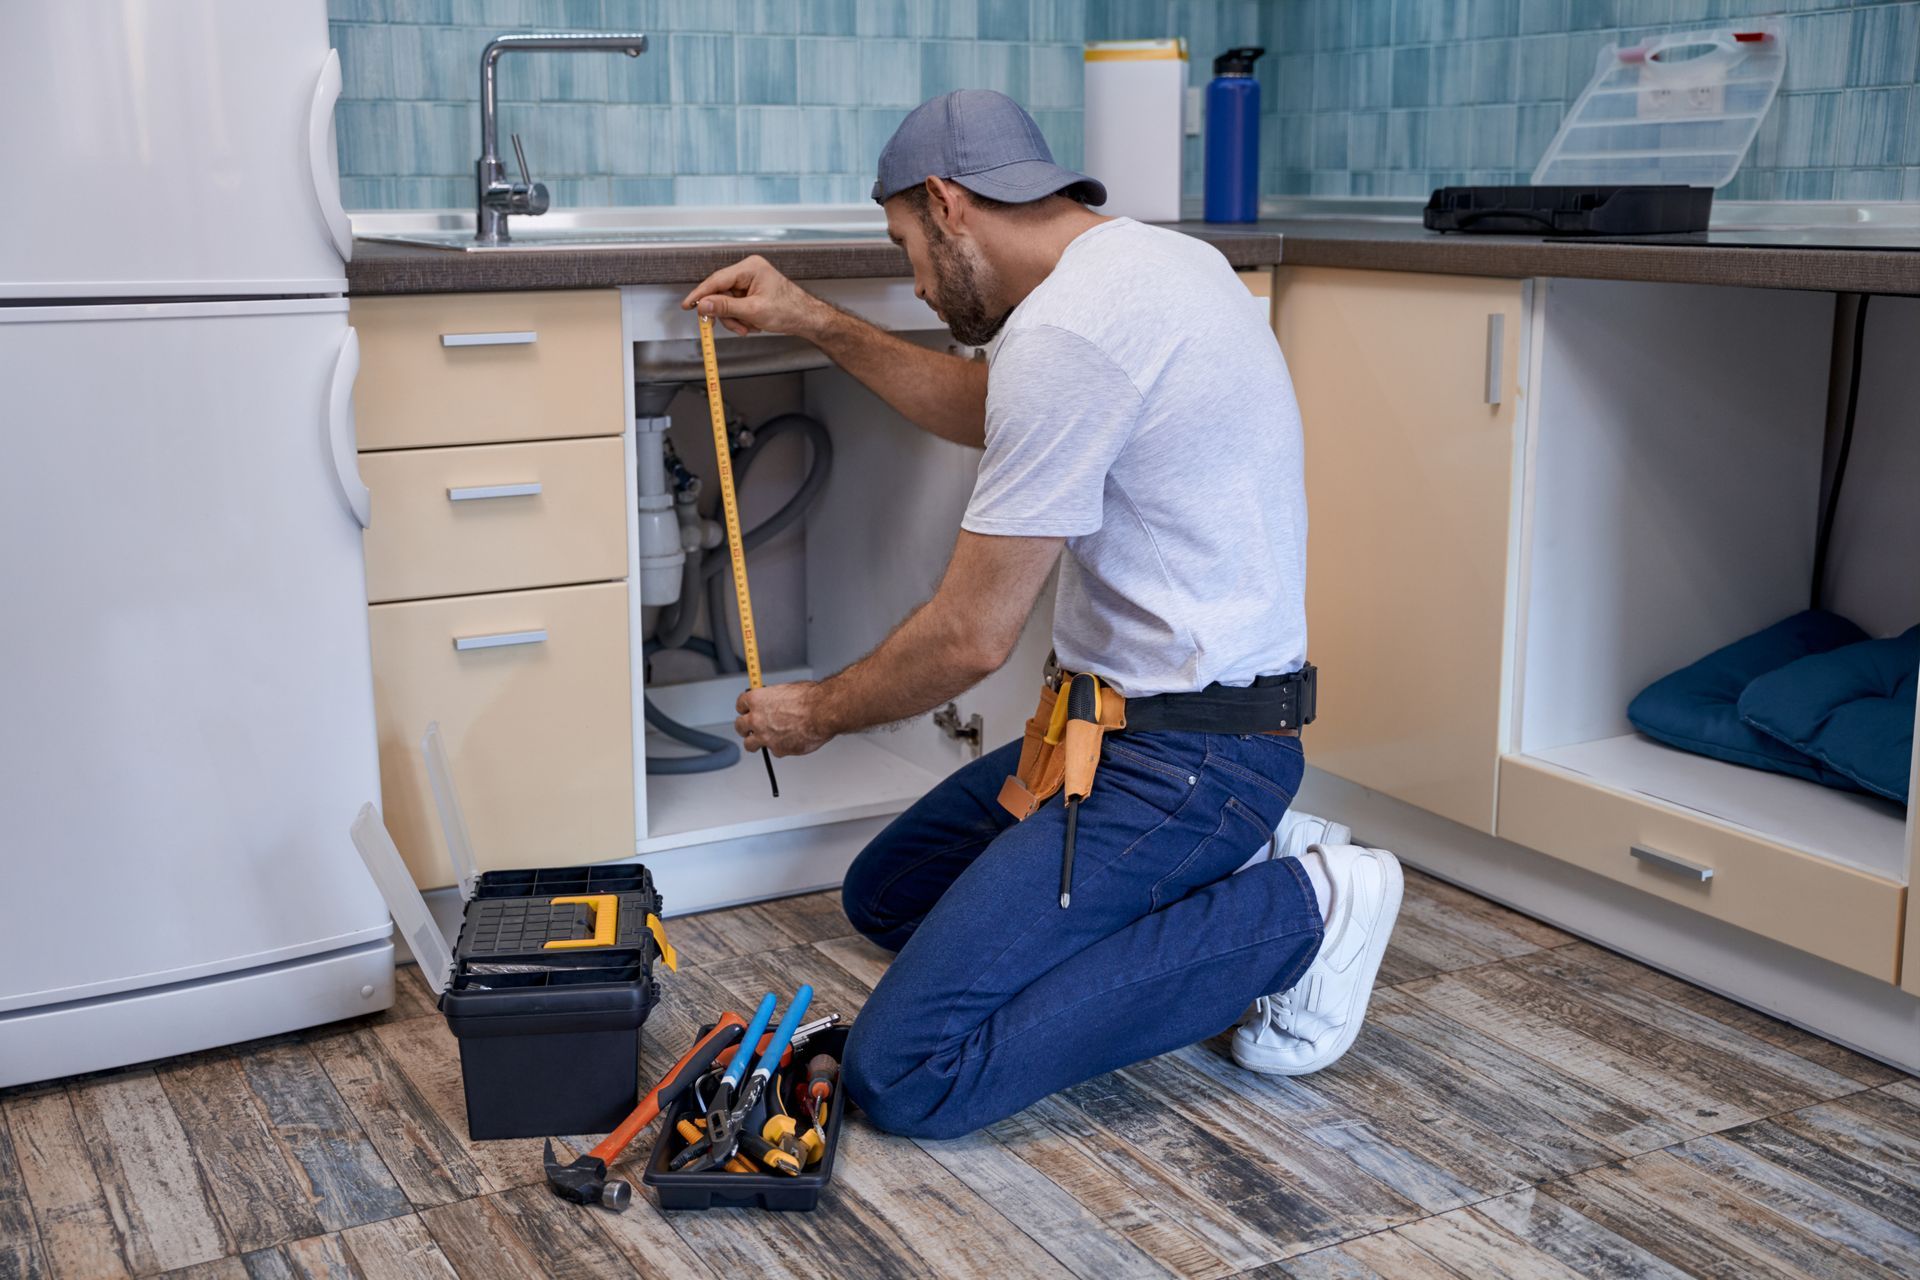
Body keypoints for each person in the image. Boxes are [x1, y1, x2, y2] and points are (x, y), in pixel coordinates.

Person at [681, 90, 1403, 1140]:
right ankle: (1226, 860)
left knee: (907, 1070)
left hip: (1188, 756)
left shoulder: (1070, 332)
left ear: (948, 201)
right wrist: (812, 320)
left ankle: (1306, 911)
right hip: (1118, 732)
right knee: (887, 894)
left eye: (908, 250)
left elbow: (971, 639)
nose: (918, 286)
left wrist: (818, 712)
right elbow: (989, 409)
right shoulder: (1147, 264)